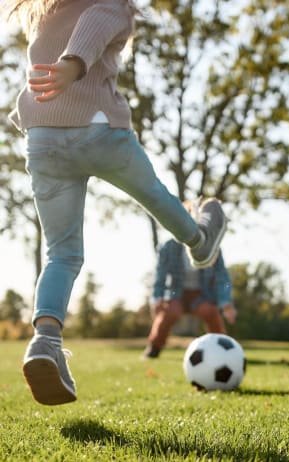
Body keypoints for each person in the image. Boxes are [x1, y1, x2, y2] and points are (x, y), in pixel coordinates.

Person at [5, 0, 228, 405]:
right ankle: (199, 240)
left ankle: (44, 341)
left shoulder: (43, 13)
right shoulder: (112, 5)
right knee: (157, 196)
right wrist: (74, 63)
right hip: (99, 130)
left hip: (43, 141)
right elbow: (93, 23)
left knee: (62, 254)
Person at [144, 235, 237, 358]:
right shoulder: (168, 247)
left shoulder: (211, 248)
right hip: (175, 293)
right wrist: (157, 298)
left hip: (201, 295)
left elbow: (222, 277)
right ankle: (154, 347)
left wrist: (226, 302)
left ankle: (223, 350)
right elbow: (160, 274)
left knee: (210, 312)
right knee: (170, 312)